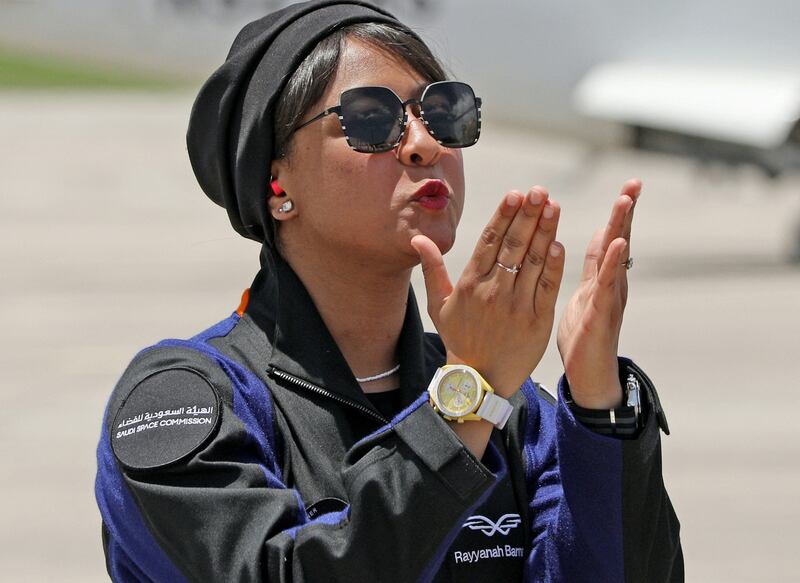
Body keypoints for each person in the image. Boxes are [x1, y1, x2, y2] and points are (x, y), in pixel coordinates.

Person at [95, 1, 683, 581]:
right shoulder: (184, 400)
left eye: (444, 112)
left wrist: (599, 406)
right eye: (373, 119)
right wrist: (465, 401)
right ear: (277, 181)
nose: (425, 144)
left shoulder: (509, 402)